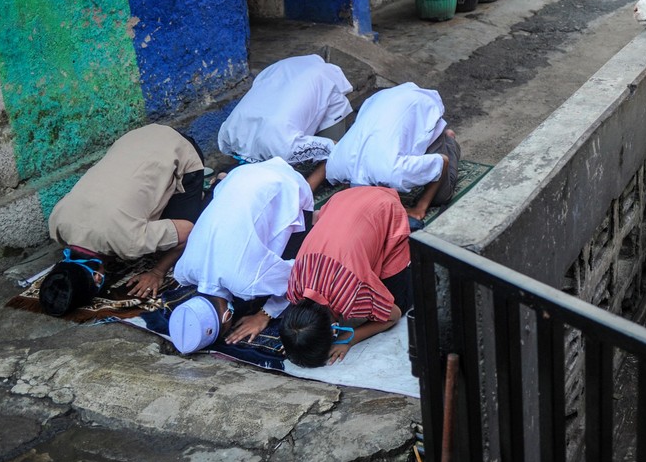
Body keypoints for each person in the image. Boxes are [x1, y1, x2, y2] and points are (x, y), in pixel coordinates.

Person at [125, 157, 314, 354]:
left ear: (226, 318)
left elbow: (300, 275)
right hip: (240, 175)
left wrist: (264, 315)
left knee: (296, 254)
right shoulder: (183, 272)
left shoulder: (247, 284)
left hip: (288, 185)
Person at [41, 124, 206, 317]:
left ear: (97, 277)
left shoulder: (129, 244)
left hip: (180, 148)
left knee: (186, 223)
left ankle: (214, 189)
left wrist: (157, 273)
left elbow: (187, 230)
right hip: (137, 136)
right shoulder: (57, 224)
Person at [279, 186, 412, 367]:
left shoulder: (351, 295)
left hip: (385, 208)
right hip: (342, 199)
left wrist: (348, 339)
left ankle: (414, 237)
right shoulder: (295, 288)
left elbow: (393, 315)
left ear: (335, 329)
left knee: (400, 303)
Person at [324, 82, 459, 225]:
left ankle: (447, 139)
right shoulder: (335, 168)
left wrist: (420, 208)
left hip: (419, 104)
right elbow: (347, 185)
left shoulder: (393, 173)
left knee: (441, 197)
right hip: (382, 98)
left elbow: (442, 161)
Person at [217, 55, 354, 191]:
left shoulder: (285, 148)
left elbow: (336, 149)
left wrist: (306, 190)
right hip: (283, 70)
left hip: (319, 78)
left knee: (333, 157)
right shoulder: (229, 133)